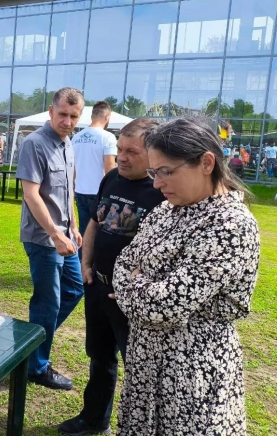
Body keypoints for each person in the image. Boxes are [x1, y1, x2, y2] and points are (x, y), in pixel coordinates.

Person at [112, 118, 259, 436]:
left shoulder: (229, 224)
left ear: (206, 162)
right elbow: (123, 264)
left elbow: (164, 307)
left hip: (191, 373)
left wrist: (137, 283)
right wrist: (144, 285)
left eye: (166, 171)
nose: (156, 184)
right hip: (145, 365)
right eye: (154, 172)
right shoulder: (165, 211)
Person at [58, 118, 165, 436]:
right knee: (100, 356)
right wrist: (86, 264)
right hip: (98, 286)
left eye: (132, 151)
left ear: (153, 153)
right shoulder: (112, 178)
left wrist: (135, 286)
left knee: (141, 369)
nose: (122, 156)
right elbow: (94, 222)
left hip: (131, 298)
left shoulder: (162, 192)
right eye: (120, 148)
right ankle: (94, 419)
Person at [16, 87, 84, 390]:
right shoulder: (35, 143)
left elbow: (66, 190)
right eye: (63, 114)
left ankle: (28, 346)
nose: (68, 121)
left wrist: (73, 226)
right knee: (48, 302)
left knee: (74, 288)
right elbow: (31, 194)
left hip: (65, 235)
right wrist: (56, 233)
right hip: (43, 239)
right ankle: (36, 366)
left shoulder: (68, 144)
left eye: (74, 116)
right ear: (51, 110)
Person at [71, 101, 117, 244]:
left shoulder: (76, 137)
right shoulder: (107, 137)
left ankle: (81, 261)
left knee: (84, 229)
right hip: (99, 192)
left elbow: (72, 167)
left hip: (80, 190)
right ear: (107, 117)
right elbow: (110, 167)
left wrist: (73, 186)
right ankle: (91, 262)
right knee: (101, 231)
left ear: (92, 116)